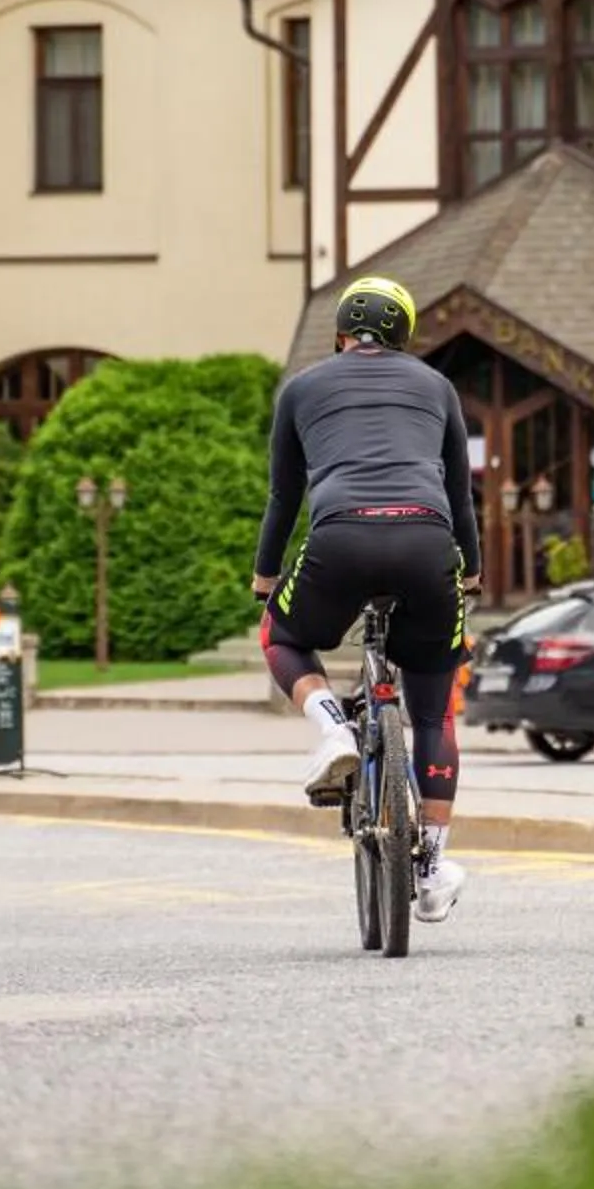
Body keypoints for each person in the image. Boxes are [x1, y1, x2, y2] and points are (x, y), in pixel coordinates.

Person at [251, 276, 482, 923]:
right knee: (434, 717)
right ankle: (433, 865)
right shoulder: (436, 386)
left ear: (339, 335)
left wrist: (266, 577)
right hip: (427, 541)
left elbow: (283, 497)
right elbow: (461, 493)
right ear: (405, 336)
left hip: (340, 538)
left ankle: (332, 729)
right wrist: (471, 575)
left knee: (282, 635)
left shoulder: (300, 388)